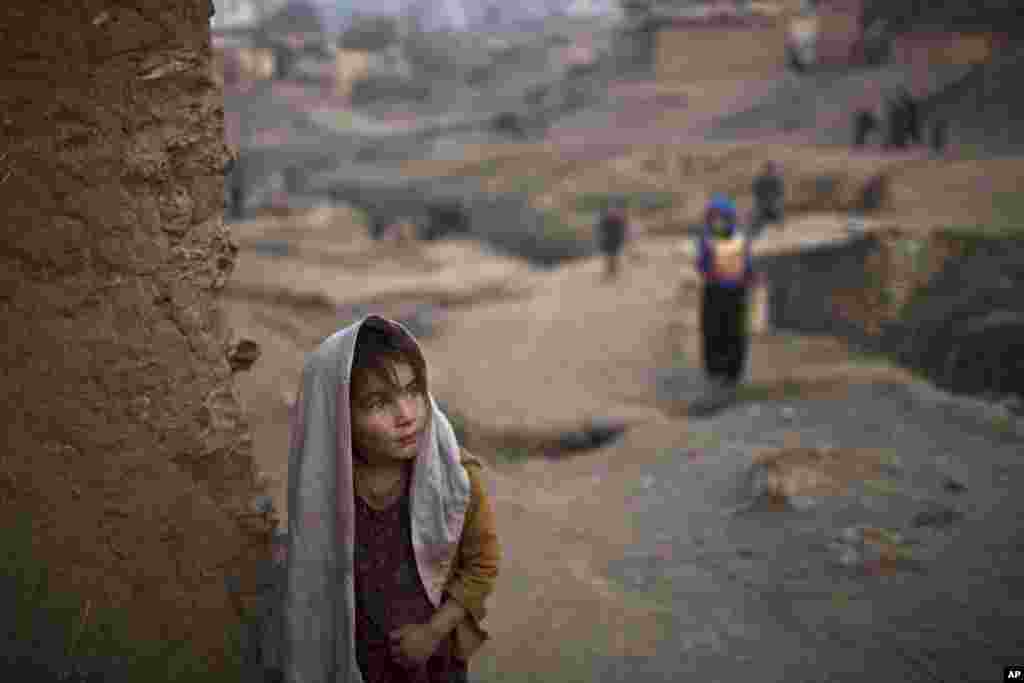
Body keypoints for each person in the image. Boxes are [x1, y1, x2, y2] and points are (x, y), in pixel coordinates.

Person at [283, 316, 500, 683]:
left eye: (414, 391)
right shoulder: (326, 488)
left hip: (432, 660)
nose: (407, 415)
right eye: (378, 403)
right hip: (355, 657)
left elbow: (483, 564)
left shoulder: (455, 479)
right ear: (339, 415)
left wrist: (432, 632)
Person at [696, 195, 757, 404]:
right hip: (720, 291)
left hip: (729, 292)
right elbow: (702, 264)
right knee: (717, 331)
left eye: (720, 216)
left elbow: (747, 265)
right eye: (715, 216)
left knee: (731, 332)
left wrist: (748, 279)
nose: (718, 220)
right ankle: (720, 373)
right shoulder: (711, 238)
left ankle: (727, 374)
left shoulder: (729, 239)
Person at [595, 199, 629, 281]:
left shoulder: (618, 219)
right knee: (609, 258)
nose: (611, 210)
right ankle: (609, 273)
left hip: (614, 240)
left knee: (613, 257)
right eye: (610, 209)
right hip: (608, 240)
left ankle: (612, 273)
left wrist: (623, 238)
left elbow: (623, 229)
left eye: (613, 209)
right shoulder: (606, 219)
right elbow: (600, 230)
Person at [752, 161, 785, 234]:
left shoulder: (776, 179)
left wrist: (776, 201)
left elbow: (780, 192)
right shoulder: (760, 179)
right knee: (757, 217)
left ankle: (780, 229)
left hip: (771, 203)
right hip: (763, 204)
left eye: (770, 169)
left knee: (777, 215)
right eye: (768, 168)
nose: (769, 171)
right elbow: (756, 191)